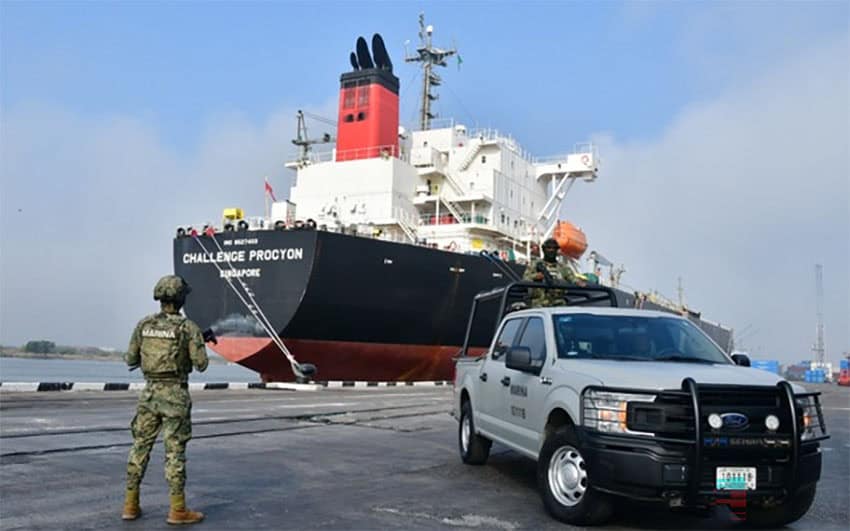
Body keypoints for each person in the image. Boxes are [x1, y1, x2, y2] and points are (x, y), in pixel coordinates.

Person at [122, 275, 209, 524]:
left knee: (139, 447)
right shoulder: (188, 328)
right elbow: (201, 365)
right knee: (174, 452)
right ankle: (178, 510)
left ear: (159, 298)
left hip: (149, 395)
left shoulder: (143, 325)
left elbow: (130, 359)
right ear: (181, 299)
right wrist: (200, 343)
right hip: (175, 396)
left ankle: (130, 505)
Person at [523, 238, 582, 307]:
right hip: (539, 303)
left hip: (558, 303)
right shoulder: (535, 265)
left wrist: (578, 282)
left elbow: (572, 277)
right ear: (544, 250)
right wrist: (536, 276)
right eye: (549, 248)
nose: (551, 250)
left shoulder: (563, 267)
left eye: (554, 248)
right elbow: (525, 279)